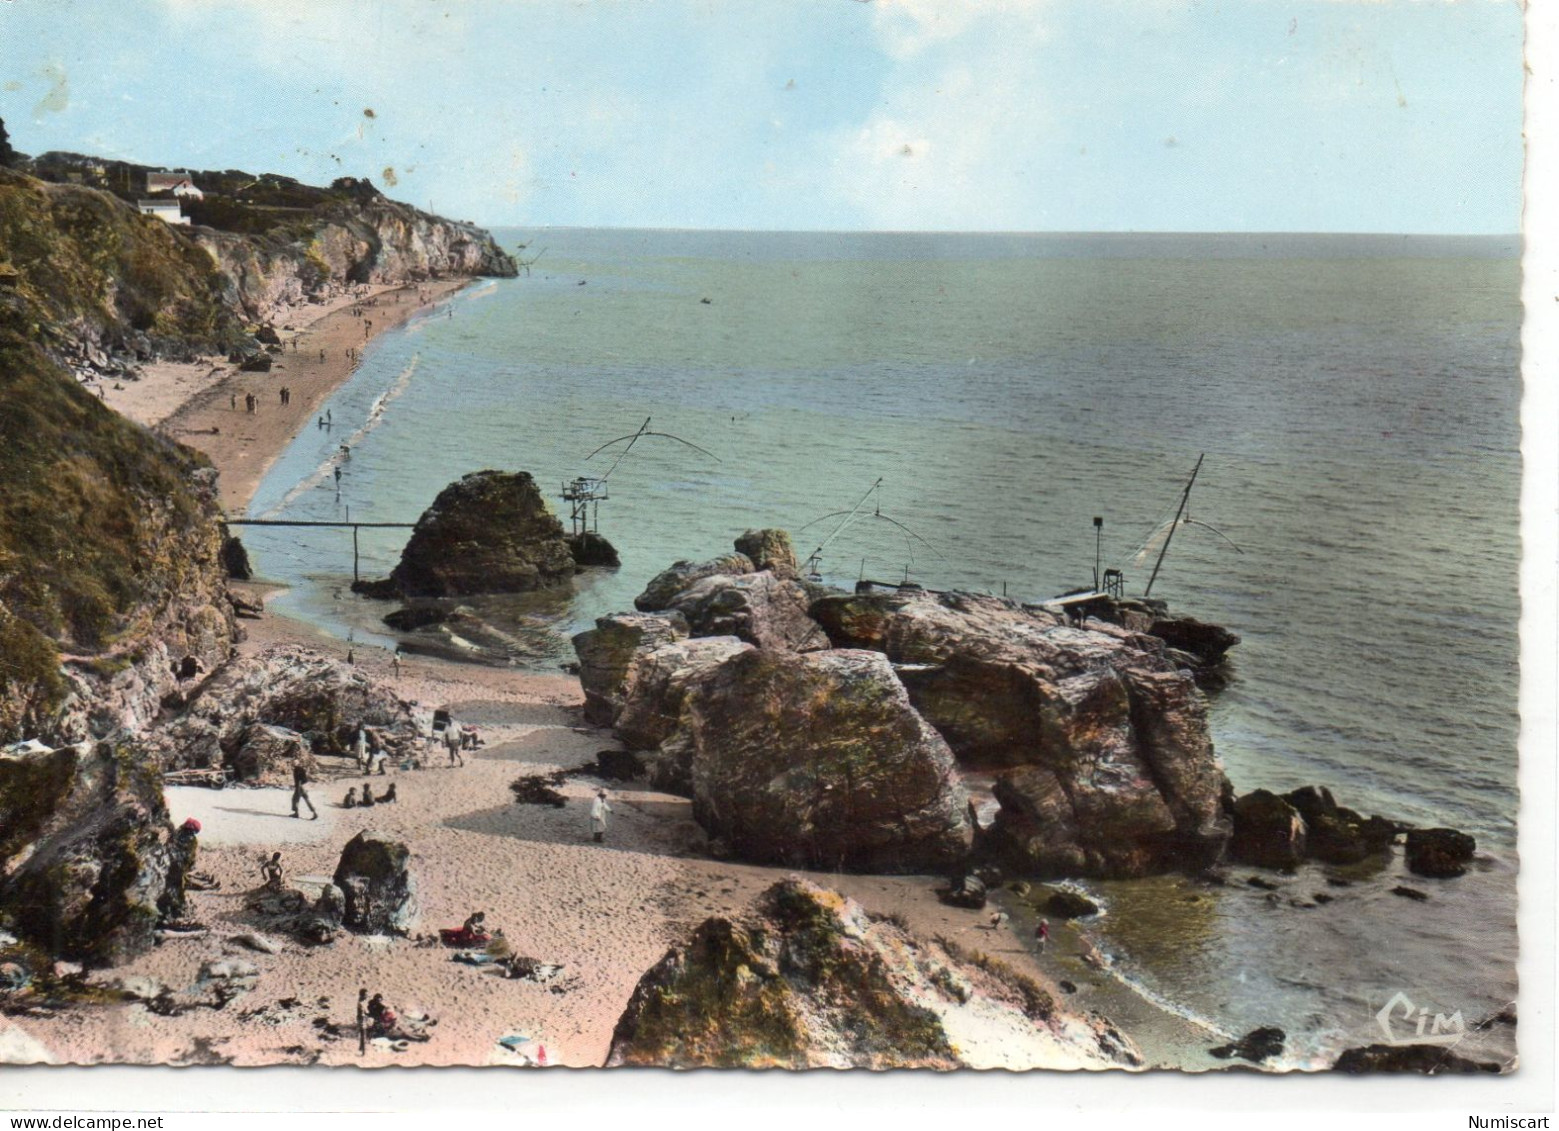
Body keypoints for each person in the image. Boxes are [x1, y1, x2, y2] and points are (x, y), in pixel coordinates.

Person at [356, 988, 369, 1055]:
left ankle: (361, 1047)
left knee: (362, 1033)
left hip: (361, 1018)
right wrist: (367, 1015)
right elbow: (362, 1013)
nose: (367, 996)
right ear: (362, 995)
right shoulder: (361, 1003)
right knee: (363, 1034)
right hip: (362, 1019)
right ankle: (363, 1052)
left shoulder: (361, 1001)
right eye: (366, 995)